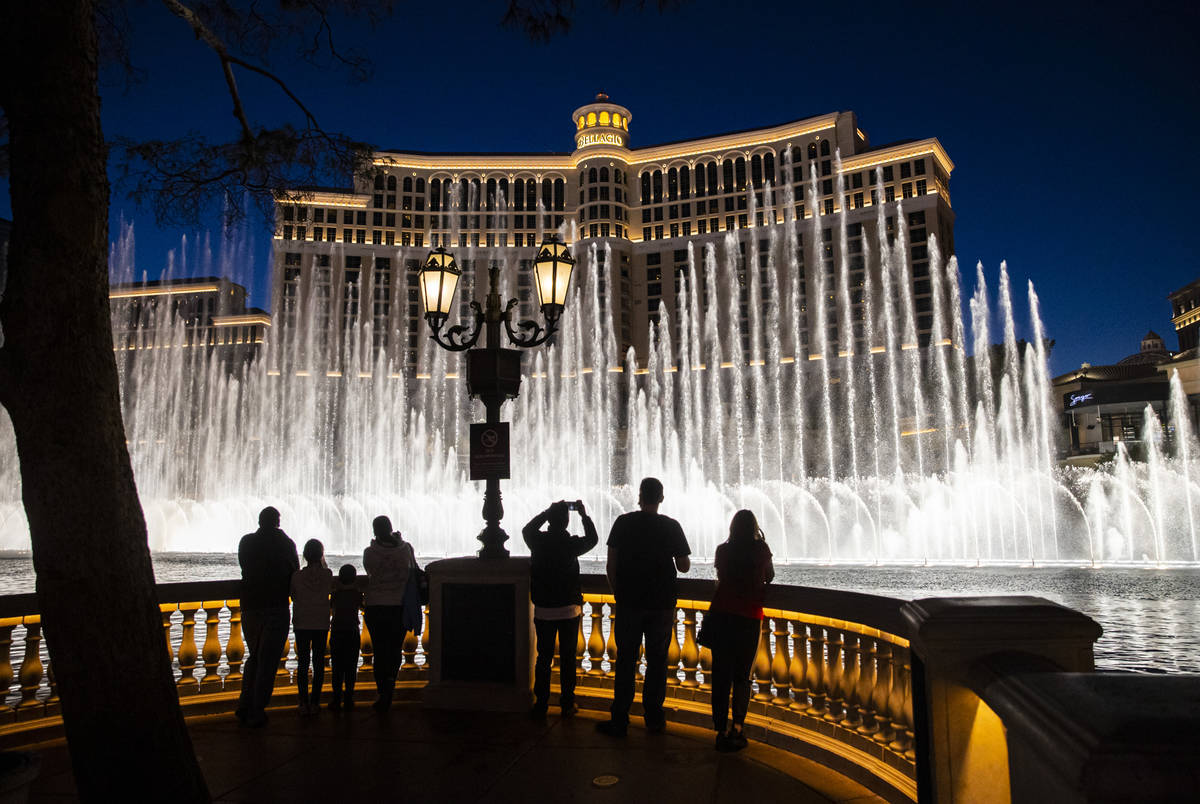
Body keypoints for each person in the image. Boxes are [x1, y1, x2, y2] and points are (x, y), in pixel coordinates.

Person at [595, 477, 691, 737]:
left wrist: (619, 593)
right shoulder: (671, 526)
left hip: (630, 602)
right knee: (657, 661)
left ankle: (620, 719)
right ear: (661, 498)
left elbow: (610, 564)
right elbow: (683, 566)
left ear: (639, 496)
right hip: (661, 604)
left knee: (626, 660)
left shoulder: (623, 523)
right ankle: (654, 718)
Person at [523, 499, 598, 719]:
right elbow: (593, 539)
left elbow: (527, 529)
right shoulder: (571, 544)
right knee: (567, 659)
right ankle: (567, 703)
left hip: (544, 609)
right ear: (566, 521)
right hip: (569, 610)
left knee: (543, 659)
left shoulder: (537, 541)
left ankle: (541, 704)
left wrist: (547, 512)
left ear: (550, 520)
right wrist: (583, 515)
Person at [707, 509, 774, 752]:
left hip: (722, 615)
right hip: (749, 616)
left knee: (721, 676)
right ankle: (738, 728)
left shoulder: (723, 550)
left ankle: (720, 729)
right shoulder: (761, 550)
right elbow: (770, 576)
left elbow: (720, 577)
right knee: (742, 676)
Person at [236, 506, 299, 728]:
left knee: (254, 656)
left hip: (249, 607)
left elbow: (244, 567)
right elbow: (295, 572)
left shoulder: (246, 542)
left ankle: (244, 704)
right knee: (268, 660)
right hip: (276, 606)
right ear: (277, 523)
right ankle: (257, 709)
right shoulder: (285, 543)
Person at [363, 515, 412, 713]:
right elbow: (411, 570)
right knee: (394, 650)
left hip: (376, 606)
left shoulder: (370, 552)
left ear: (375, 531)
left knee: (380, 651)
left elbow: (369, 570)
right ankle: (390, 685)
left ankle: (382, 691)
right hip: (399, 606)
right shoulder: (405, 549)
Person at [290, 538, 333, 715]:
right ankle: (315, 702)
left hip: (302, 622)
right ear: (321, 555)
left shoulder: (297, 576)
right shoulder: (328, 574)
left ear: (305, 555)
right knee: (318, 663)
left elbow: (293, 596)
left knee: (303, 664)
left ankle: (303, 703)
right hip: (321, 623)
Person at [329, 563, 363, 711]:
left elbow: (330, 608)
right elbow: (363, 606)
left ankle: (336, 699)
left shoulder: (336, 594)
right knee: (351, 667)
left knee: (337, 668)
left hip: (337, 632)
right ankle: (349, 698)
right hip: (352, 632)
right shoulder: (356, 594)